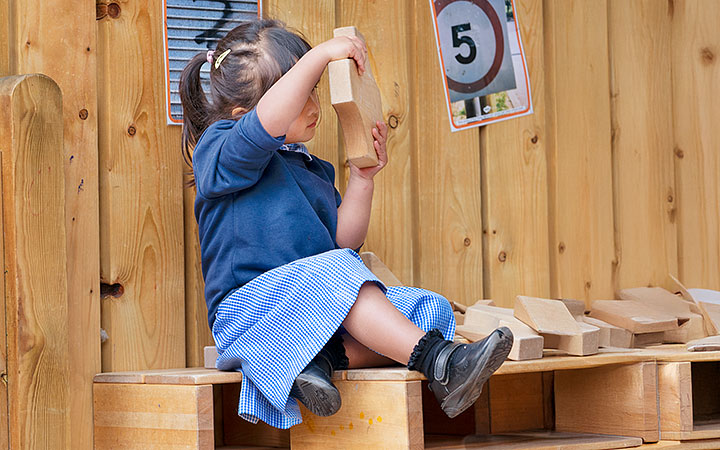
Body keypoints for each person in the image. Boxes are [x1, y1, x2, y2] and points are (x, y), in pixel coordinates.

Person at [179, 19, 513, 429]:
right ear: (242, 114)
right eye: (302, 93)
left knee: (427, 310)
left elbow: (342, 241)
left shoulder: (308, 167)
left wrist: (362, 179)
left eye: (314, 90)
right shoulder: (221, 149)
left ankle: (318, 359)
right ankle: (441, 364)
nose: (314, 104)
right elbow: (265, 125)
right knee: (345, 278)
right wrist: (319, 56)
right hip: (251, 315)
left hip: (315, 305)